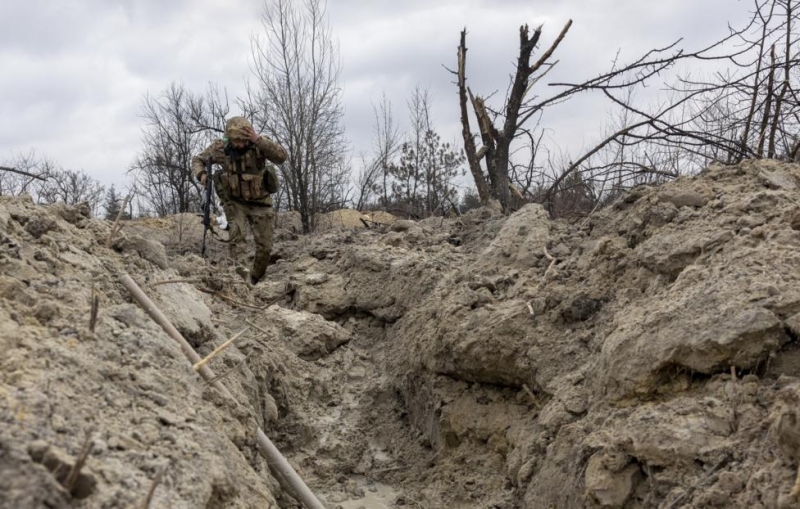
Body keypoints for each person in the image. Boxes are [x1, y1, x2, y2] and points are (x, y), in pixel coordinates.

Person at [191, 116, 286, 284]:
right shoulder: (219, 148)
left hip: (260, 202)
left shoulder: (260, 144)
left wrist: (258, 140)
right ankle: (242, 281)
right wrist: (201, 174)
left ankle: (254, 278)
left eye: (244, 140)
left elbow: (281, 157)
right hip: (235, 202)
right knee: (237, 241)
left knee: (265, 247)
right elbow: (198, 160)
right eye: (236, 141)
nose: (240, 145)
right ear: (229, 139)